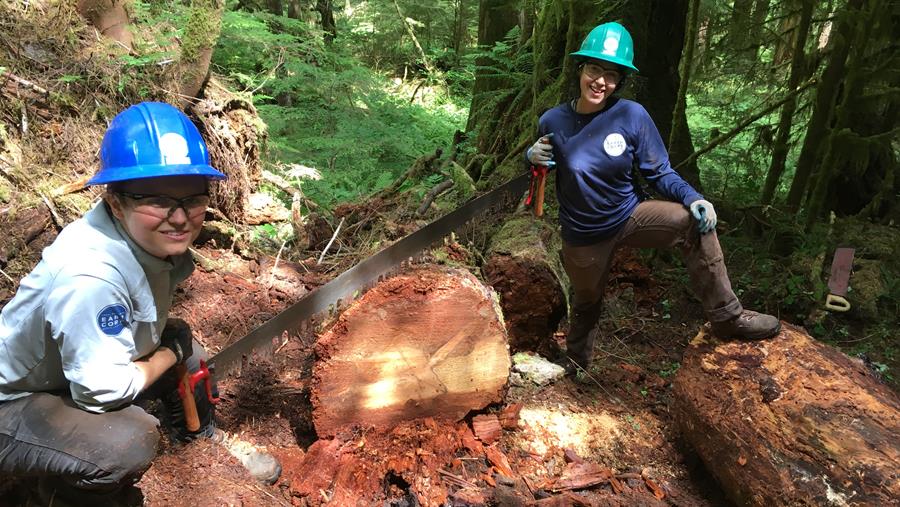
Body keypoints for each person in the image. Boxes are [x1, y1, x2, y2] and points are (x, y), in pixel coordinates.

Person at [0, 102, 277, 505]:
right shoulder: (90, 277)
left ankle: (202, 441)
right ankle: (56, 495)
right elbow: (102, 393)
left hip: (66, 373)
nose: (180, 218)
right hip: (12, 401)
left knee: (191, 355)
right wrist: (166, 355)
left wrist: (175, 352)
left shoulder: (146, 241)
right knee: (124, 442)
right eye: (158, 201)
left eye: (192, 200)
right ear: (116, 203)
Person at [525, 22, 781, 376]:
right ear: (580, 69)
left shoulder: (631, 115)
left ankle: (727, 316)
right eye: (594, 69)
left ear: (620, 81)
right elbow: (542, 167)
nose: (600, 81)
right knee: (586, 302)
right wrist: (531, 157)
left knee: (693, 223)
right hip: (583, 233)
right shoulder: (553, 120)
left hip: (631, 215)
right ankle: (576, 364)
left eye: (611, 74)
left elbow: (659, 172)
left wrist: (694, 198)